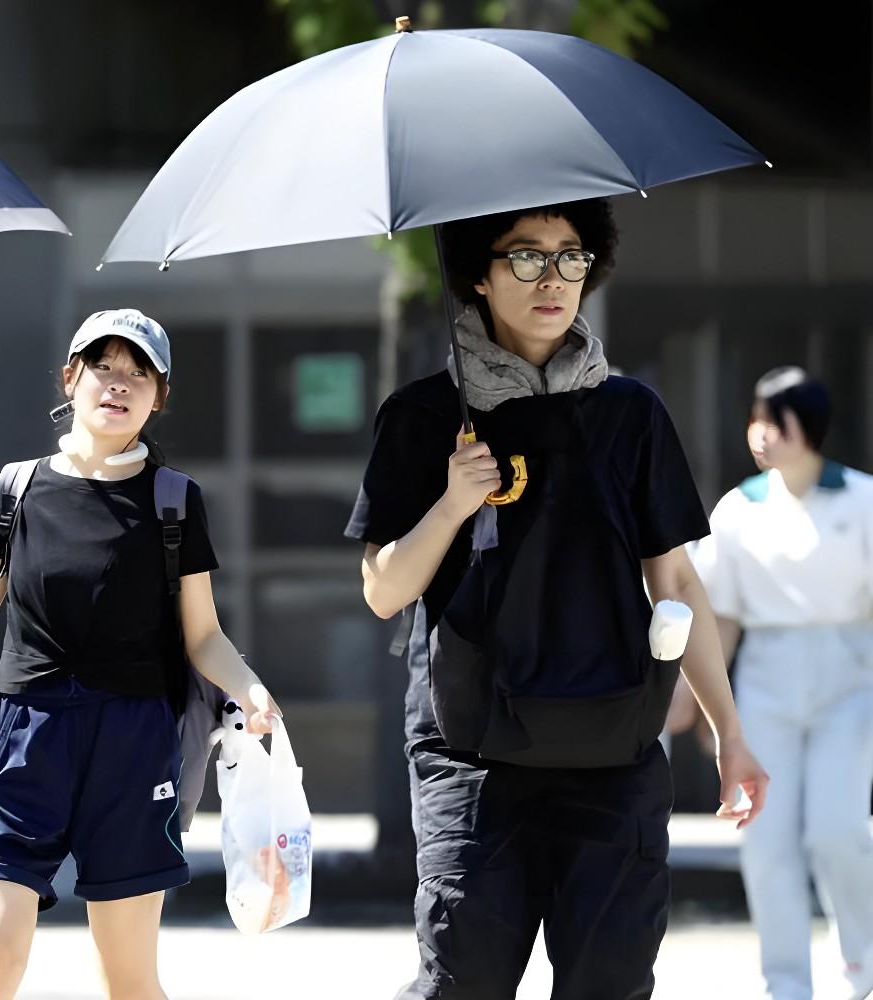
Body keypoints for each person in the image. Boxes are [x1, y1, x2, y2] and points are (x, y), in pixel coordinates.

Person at [346, 199, 769, 999]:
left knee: (610, 982)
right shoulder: (423, 417)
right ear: (477, 274)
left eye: (571, 256)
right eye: (526, 256)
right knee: (463, 980)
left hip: (613, 747)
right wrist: (451, 505)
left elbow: (677, 582)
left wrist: (731, 736)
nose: (553, 278)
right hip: (470, 754)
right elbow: (383, 590)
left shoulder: (631, 413)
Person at [0, 308, 279, 1000]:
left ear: (159, 396)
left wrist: (251, 690)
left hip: (132, 744)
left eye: (139, 373)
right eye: (103, 367)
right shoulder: (18, 488)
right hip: (22, 739)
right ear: (70, 377)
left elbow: (203, 636)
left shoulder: (174, 500)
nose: (118, 384)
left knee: (128, 979)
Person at [673, 367, 873, 1000]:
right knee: (765, 839)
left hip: (851, 679)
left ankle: (863, 969)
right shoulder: (738, 509)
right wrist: (695, 706)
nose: (760, 433)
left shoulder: (862, 499)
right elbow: (719, 619)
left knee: (838, 831)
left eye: (773, 419)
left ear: (806, 425)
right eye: (755, 419)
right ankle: (785, 986)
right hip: (766, 678)